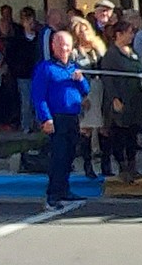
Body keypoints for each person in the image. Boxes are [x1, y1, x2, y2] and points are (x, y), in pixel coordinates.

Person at [31, 31, 90, 211]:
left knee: (69, 155)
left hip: (72, 117)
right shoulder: (46, 68)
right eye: (61, 45)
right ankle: (53, 195)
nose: (64, 48)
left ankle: (64, 190)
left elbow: (85, 90)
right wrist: (45, 118)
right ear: (53, 46)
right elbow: (38, 96)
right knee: (58, 156)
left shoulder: (73, 68)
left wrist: (81, 80)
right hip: (56, 118)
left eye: (67, 45)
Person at [100, 21, 142, 184]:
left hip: (135, 99)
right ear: (119, 34)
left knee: (132, 135)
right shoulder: (111, 55)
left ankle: (133, 166)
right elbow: (107, 78)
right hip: (120, 99)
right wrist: (114, 98)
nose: (132, 36)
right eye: (129, 32)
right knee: (119, 134)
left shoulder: (132, 52)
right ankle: (122, 167)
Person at [68, 17, 109, 179]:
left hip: (101, 88)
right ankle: (87, 165)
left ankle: (106, 164)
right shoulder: (74, 52)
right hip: (85, 90)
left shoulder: (98, 48)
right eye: (80, 31)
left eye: (85, 29)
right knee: (86, 129)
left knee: (104, 128)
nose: (84, 33)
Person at [9, 7, 44, 133]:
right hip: (24, 74)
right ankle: (26, 126)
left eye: (32, 21)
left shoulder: (39, 39)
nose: (30, 24)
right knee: (26, 102)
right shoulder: (17, 39)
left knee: (39, 101)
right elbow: (12, 56)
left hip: (38, 75)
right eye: (27, 21)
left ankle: (40, 124)